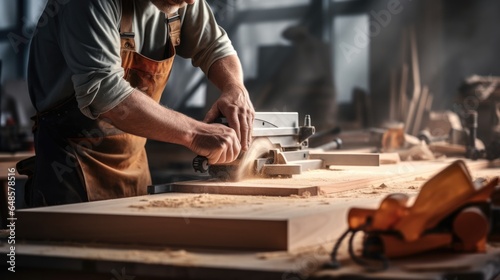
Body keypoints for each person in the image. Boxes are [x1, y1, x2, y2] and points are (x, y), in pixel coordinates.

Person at [21, 0, 255, 207]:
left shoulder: (182, 2)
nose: (192, 2)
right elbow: (105, 92)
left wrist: (235, 87)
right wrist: (195, 134)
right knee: (75, 252)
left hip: (134, 163)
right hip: (71, 169)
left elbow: (214, 46)